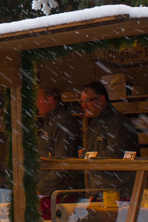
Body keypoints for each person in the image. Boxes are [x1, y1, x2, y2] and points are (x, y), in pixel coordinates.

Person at [81, 81, 139, 197]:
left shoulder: (118, 122)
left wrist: (85, 155)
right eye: (81, 102)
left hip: (118, 194)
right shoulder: (94, 125)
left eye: (86, 101)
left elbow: (115, 155)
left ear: (101, 100)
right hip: (99, 192)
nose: (83, 105)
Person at [37, 87, 83, 218]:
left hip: (60, 195)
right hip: (49, 193)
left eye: (38, 100)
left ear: (50, 100)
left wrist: (41, 188)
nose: (36, 104)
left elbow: (62, 163)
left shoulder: (63, 122)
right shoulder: (49, 121)